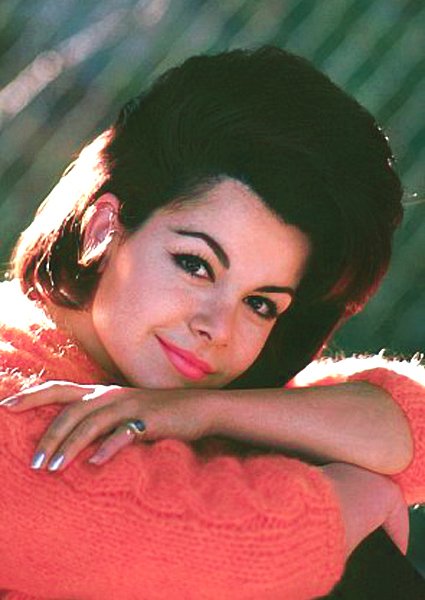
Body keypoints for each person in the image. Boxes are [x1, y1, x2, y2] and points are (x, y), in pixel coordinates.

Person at [0, 46, 423, 599]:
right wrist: (360, 496)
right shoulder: (14, 402)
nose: (218, 329)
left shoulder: (166, 392)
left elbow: (410, 422)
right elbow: (223, 547)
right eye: (196, 265)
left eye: (260, 304)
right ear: (105, 228)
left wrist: (201, 411)